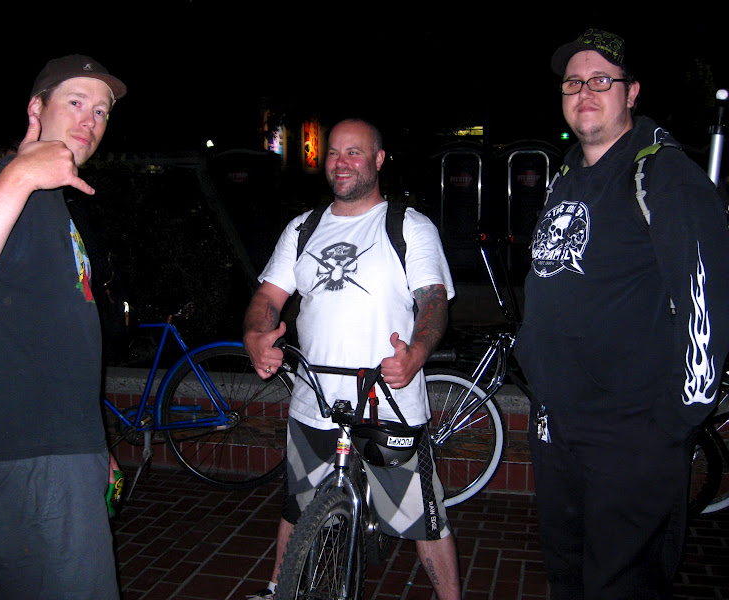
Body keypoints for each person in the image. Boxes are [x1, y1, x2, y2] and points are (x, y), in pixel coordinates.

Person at [514, 28, 729, 598]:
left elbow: (705, 304)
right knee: (567, 576)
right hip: (558, 425)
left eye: (600, 80)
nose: (585, 91)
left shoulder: (665, 177)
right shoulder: (567, 175)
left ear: (631, 92)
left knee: (622, 584)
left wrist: (675, 422)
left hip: (631, 435)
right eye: (573, 82)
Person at [0, 55, 127, 599]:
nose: (90, 120)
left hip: (61, 454)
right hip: (33, 460)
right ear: (36, 108)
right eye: (75, 102)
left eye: (102, 111)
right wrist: (20, 171)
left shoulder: (46, 201)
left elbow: (54, 339)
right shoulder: (3, 183)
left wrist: (94, 446)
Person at [243, 118, 461, 600]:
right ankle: (278, 588)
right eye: (334, 153)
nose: (341, 163)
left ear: (378, 160)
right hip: (314, 403)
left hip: (388, 403)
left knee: (422, 519)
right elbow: (268, 297)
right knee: (297, 508)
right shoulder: (304, 228)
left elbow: (432, 301)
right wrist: (256, 334)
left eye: (354, 153)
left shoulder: (408, 226)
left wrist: (416, 353)